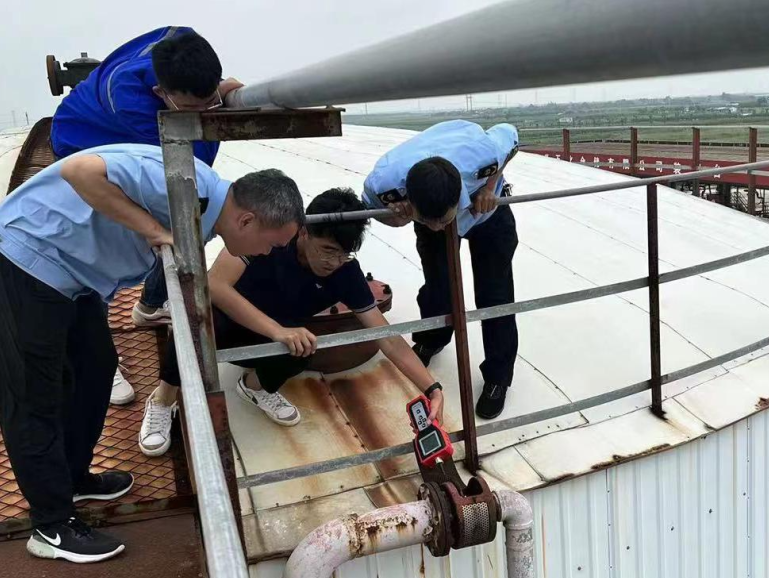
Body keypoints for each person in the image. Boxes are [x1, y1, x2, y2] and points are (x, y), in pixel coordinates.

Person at [0, 143, 302, 563]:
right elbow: (80, 171)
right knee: (34, 394)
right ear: (247, 220)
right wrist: (154, 231)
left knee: (95, 371)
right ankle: (51, 525)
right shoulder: (183, 184)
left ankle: (73, 478)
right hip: (22, 259)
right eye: (272, 244)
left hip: (72, 277)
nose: (267, 254)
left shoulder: (204, 212)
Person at [139, 188, 447, 455]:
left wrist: (431, 388)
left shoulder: (346, 272)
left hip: (272, 338)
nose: (333, 262)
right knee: (192, 319)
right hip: (226, 323)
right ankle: (163, 399)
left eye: (344, 254)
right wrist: (278, 331)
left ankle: (254, 387)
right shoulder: (270, 238)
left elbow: (387, 337)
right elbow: (215, 286)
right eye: (327, 250)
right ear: (303, 232)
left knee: (306, 346)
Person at [50, 27, 245, 407]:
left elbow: (198, 128)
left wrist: (218, 96)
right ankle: (99, 359)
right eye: (191, 109)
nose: (205, 113)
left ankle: (150, 305)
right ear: (161, 94)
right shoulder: (131, 104)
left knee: (177, 225)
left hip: (121, 133)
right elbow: (193, 165)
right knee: (94, 249)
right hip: (83, 143)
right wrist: (219, 102)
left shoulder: (183, 42)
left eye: (209, 101)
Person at [362, 120, 519, 420]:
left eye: (443, 220)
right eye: (428, 220)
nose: (437, 227)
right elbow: (372, 209)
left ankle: (498, 377)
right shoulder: (385, 183)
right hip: (430, 206)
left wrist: (489, 187)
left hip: (487, 215)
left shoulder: (482, 157)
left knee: (495, 295)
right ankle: (431, 339)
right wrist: (398, 218)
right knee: (438, 285)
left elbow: (510, 135)